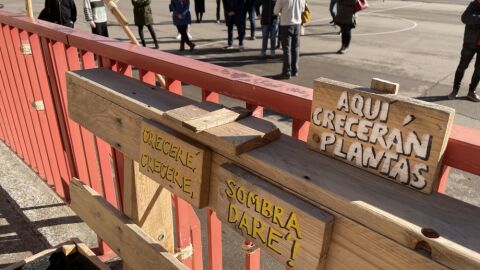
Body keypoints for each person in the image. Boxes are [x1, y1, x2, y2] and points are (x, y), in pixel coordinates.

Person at [449, 0, 480, 102]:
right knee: (462, 66)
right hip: (470, 43)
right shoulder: (475, 4)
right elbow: (465, 18)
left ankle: (471, 92)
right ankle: (455, 90)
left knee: (478, 71)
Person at [274, 0, 305, 79]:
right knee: (295, 48)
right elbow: (303, 10)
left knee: (286, 49)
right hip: (297, 24)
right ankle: (295, 70)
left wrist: (282, 12)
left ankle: (287, 71)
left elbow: (275, 11)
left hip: (286, 24)